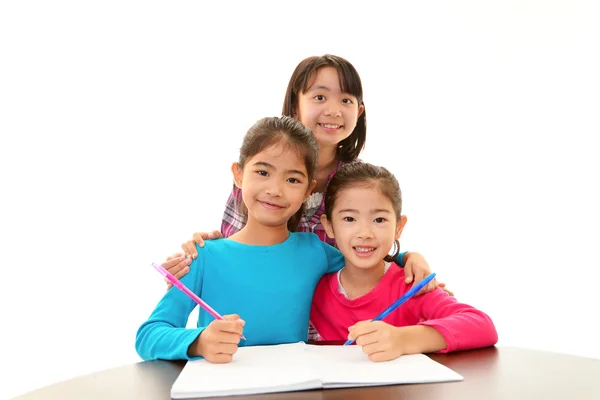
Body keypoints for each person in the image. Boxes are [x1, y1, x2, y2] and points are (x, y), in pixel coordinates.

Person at [163, 54, 444, 295]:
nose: (333, 111)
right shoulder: (258, 175)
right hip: (271, 313)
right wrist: (202, 258)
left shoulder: (359, 182)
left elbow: (369, 246)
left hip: (336, 321)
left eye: (346, 101)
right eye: (320, 97)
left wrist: (408, 257)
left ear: (359, 112)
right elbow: (241, 255)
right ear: (296, 105)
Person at [137, 116, 348, 363]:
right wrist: (200, 341)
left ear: (307, 191)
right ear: (238, 174)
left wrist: (403, 257)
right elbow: (148, 336)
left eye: (292, 179)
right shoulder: (204, 255)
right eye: (262, 172)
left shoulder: (315, 252)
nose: (275, 190)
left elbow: (369, 265)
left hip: (295, 387)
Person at [310, 162, 498, 362]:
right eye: (349, 219)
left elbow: (483, 326)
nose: (365, 233)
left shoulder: (412, 286)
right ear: (329, 226)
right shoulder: (314, 287)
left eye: (379, 220)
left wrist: (403, 339)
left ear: (399, 227)